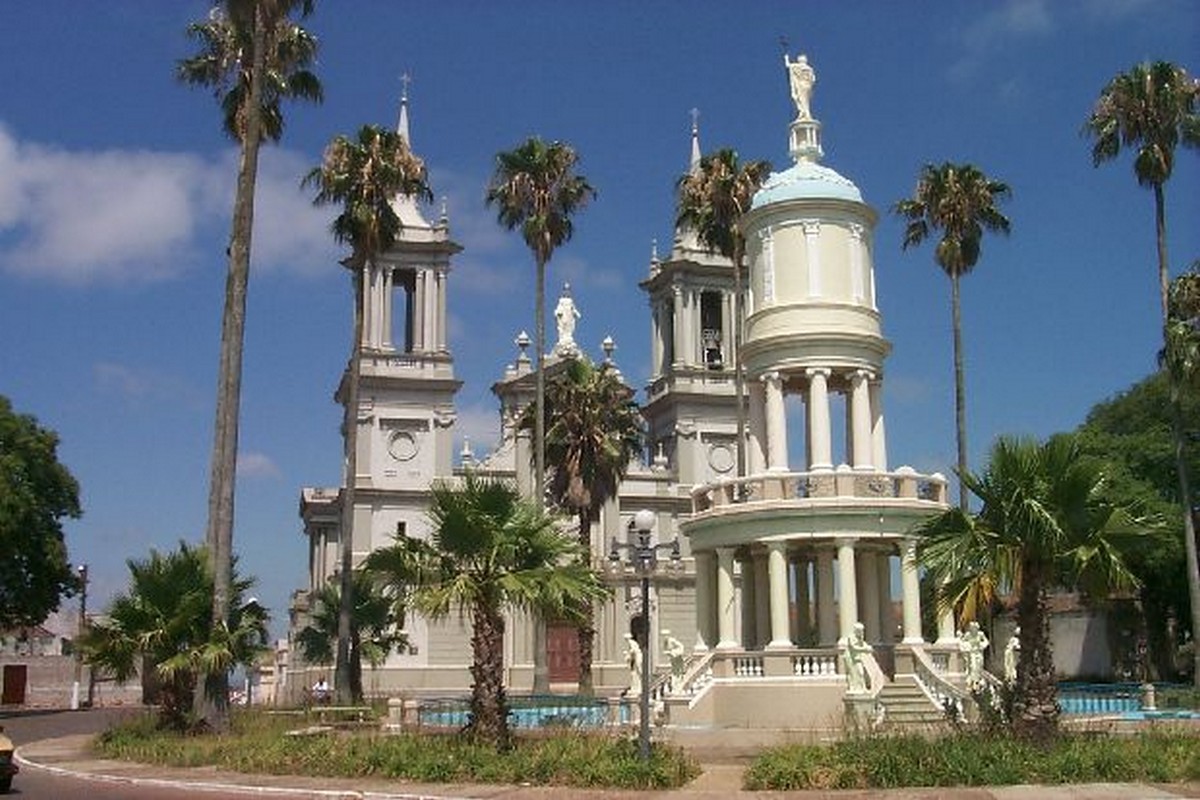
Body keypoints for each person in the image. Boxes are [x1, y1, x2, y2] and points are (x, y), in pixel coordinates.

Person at [784, 52, 816, 120]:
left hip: (801, 85)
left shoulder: (796, 66)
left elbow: (788, 66)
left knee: (801, 99)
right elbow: (813, 80)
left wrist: (786, 58)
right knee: (805, 101)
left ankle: (803, 112)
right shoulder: (810, 69)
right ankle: (806, 113)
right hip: (808, 86)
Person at [842, 622, 872, 693]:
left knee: (861, 673)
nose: (861, 632)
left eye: (862, 630)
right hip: (850, 659)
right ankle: (853, 687)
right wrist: (865, 649)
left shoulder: (860, 637)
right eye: (860, 631)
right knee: (852, 673)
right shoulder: (851, 637)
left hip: (858, 658)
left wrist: (867, 647)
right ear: (856, 630)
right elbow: (853, 647)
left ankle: (863, 687)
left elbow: (863, 644)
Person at [959, 621, 990, 687]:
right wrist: (967, 646)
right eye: (972, 628)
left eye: (975, 628)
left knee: (979, 666)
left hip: (978, 652)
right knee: (973, 666)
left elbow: (986, 641)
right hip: (972, 653)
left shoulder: (980, 634)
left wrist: (982, 645)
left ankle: (978, 680)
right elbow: (962, 641)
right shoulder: (968, 635)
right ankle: (973, 681)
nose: (974, 629)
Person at [553, 284, 580, 353]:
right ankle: (563, 339)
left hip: (569, 315)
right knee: (563, 325)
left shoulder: (570, 301)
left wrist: (576, 313)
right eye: (565, 290)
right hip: (564, 315)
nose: (567, 292)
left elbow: (573, 308)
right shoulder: (561, 300)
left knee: (569, 326)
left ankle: (568, 337)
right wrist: (557, 312)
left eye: (568, 290)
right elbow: (559, 307)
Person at [623, 633, 642, 698]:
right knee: (634, 673)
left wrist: (628, 655)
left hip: (637, 658)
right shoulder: (631, 643)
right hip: (635, 659)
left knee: (637, 671)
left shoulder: (631, 642)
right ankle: (635, 687)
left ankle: (638, 687)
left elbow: (633, 651)